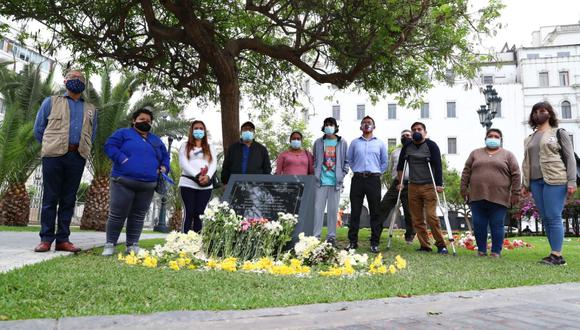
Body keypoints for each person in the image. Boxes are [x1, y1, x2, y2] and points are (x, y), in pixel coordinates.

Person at [33, 69, 97, 253]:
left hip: (77, 157)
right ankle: (46, 239)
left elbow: (92, 134)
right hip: (53, 156)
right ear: (65, 81)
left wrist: (80, 148)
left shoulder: (90, 109)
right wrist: (51, 145)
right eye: (72, 77)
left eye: (80, 78)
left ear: (84, 84)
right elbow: (39, 129)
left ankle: (63, 239)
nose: (76, 80)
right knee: (50, 198)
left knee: (69, 199)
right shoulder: (51, 102)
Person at [101, 108, 170, 256]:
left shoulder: (156, 140)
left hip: (148, 184)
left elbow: (165, 156)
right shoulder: (123, 134)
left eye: (148, 121)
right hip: (123, 181)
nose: (145, 122)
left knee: (138, 216)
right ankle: (110, 244)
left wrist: (164, 167)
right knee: (117, 214)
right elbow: (109, 146)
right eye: (142, 119)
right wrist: (121, 158)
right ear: (134, 120)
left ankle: (132, 245)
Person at [521, 101, 577, 266]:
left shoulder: (559, 132)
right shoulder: (529, 138)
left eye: (543, 110)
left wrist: (572, 181)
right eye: (535, 111)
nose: (539, 113)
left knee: (553, 216)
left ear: (550, 113)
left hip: (555, 179)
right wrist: (525, 184)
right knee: (545, 218)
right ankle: (553, 253)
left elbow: (570, 158)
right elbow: (527, 162)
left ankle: (557, 256)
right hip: (536, 182)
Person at [460, 128, 521, 257]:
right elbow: (466, 171)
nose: (493, 138)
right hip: (477, 196)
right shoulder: (475, 153)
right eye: (490, 136)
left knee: (497, 224)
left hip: (499, 196)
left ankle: (496, 251)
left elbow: (516, 174)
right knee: (478, 224)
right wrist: (463, 189)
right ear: (485, 138)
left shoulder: (508, 155)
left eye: (496, 136)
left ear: (501, 140)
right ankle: (481, 250)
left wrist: (516, 193)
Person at [397, 122, 448, 254]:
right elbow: (400, 165)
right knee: (417, 218)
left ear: (425, 132)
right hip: (413, 186)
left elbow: (438, 166)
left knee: (431, 216)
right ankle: (425, 246)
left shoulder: (431, 145)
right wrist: (400, 182)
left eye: (419, 129)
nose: (416, 131)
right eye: (414, 130)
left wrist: (439, 184)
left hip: (429, 186)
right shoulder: (407, 146)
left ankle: (441, 245)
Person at [346, 116, 388, 253]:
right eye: (364, 123)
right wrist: (357, 170)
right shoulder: (354, 143)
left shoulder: (380, 143)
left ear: (374, 126)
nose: (366, 125)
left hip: (373, 180)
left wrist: (376, 173)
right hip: (357, 179)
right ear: (360, 126)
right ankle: (352, 242)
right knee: (355, 211)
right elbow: (349, 160)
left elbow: (384, 163)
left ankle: (374, 242)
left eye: (369, 123)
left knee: (375, 211)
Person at [312, 118, 349, 246]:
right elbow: (314, 160)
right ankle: (315, 236)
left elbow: (346, 161)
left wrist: (342, 175)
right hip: (320, 182)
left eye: (331, 124)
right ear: (323, 127)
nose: (328, 127)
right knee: (318, 210)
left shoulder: (342, 142)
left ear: (335, 126)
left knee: (333, 211)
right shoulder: (318, 142)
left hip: (335, 182)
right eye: (326, 125)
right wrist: (316, 173)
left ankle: (331, 237)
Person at [178, 120, 217, 233]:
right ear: (191, 131)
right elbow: (183, 163)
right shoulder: (185, 145)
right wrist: (197, 175)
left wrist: (208, 176)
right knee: (189, 212)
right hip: (188, 183)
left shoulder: (210, 147)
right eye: (196, 128)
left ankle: (198, 243)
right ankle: (183, 241)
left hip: (205, 185)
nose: (198, 130)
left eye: (201, 128)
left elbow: (213, 163)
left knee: (200, 214)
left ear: (204, 131)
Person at [379, 129, 415, 244]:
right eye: (403, 136)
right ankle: (376, 232)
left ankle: (409, 235)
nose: (406, 137)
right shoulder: (395, 152)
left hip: (410, 184)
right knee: (384, 205)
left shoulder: (416, 151)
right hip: (397, 183)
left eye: (408, 135)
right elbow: (391, 169)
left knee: (409, 211)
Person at [221, 121, 271, 185]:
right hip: (235, 184)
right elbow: (226, 167)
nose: (247, 131)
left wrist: (266, 184)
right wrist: (225, 183)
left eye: (250, 130)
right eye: (245, 129)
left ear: (254, 133)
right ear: (241, 132)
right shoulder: (233, 148)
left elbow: (267, 168)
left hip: (256, 186)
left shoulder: (261, 149)